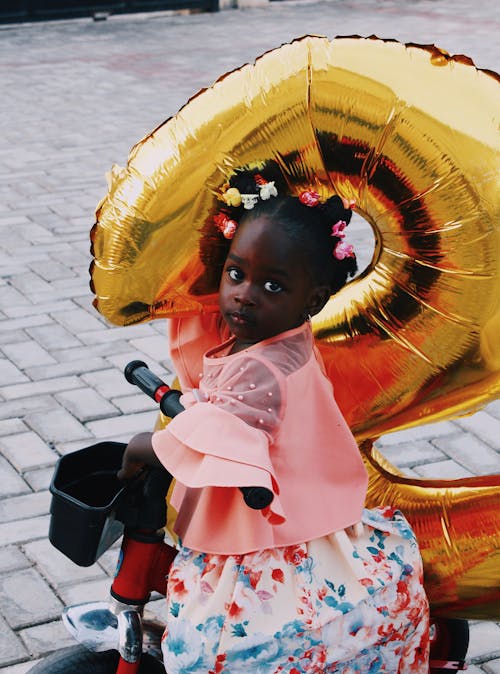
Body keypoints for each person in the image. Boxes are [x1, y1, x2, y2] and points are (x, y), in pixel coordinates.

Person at [119, 164, 430, 673]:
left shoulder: (263, 369)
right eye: (236, 273)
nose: (245, 295)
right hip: (311, 520)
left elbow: (221, 435)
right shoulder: (278, 334)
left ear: (312, 300)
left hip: (263, 544)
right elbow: (209, 330)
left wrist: (142, 448)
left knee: (219, 649)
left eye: (273, 286)